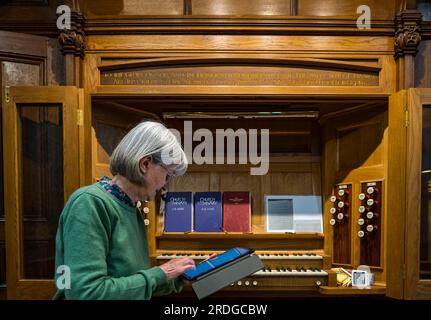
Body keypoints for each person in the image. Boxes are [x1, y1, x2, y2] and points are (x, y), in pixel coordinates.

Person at [53, 120, 196, 299]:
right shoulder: (89, 204)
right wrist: (161, 273)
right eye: (167, 175)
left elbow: (134, 286)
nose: (165, 185)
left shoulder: (131, 208)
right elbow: (86, 293)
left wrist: (183, 276)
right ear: (145, 164)